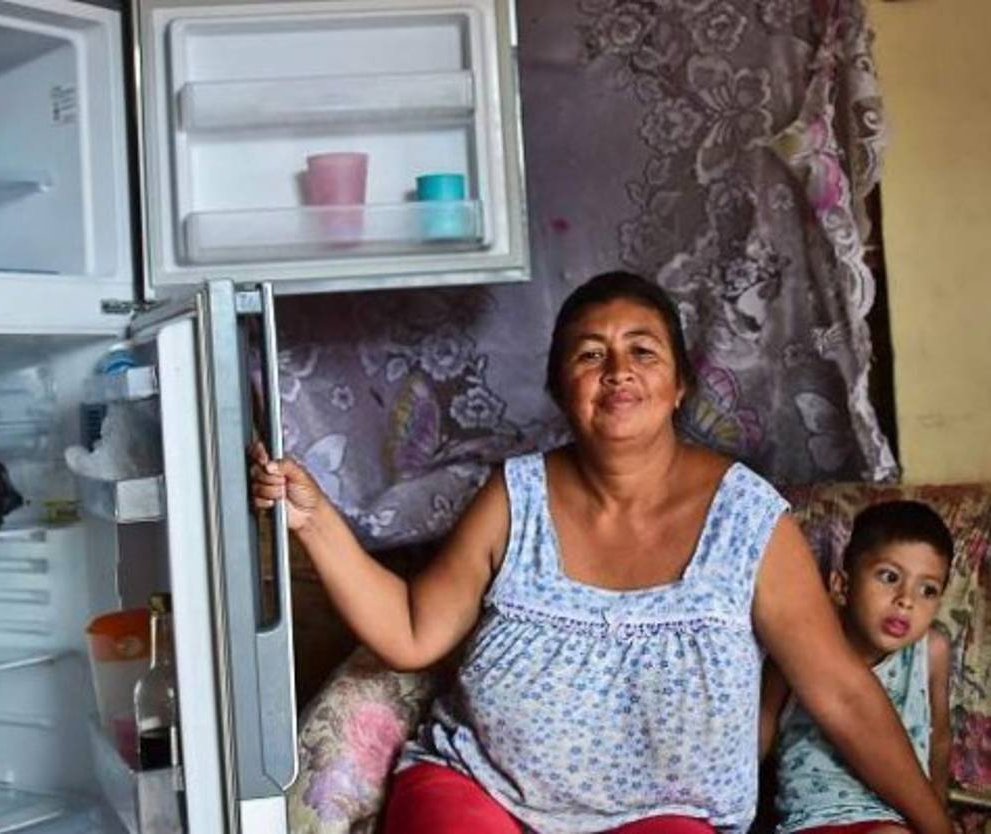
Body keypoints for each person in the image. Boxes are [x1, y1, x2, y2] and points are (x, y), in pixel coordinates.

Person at [249, 271, 951, 834]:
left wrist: (937, 828)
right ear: (562, 390)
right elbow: (411, 630)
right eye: (590, 354)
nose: (618, 370)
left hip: (663, 818)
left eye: (643, 351)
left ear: (678, 385)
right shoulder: (514, 495)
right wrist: (314, 520)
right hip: (481, 789)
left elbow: (840, 691)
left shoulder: (748, 520)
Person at [761, 501, 954, 834]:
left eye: (928, 590)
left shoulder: (931, 652)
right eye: (889, 577)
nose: (906, 600)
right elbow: (762, 721)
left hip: (897, 817)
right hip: (813, 819)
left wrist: (937, 815)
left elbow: (939, 739)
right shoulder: (805, 645)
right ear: (841, 585)